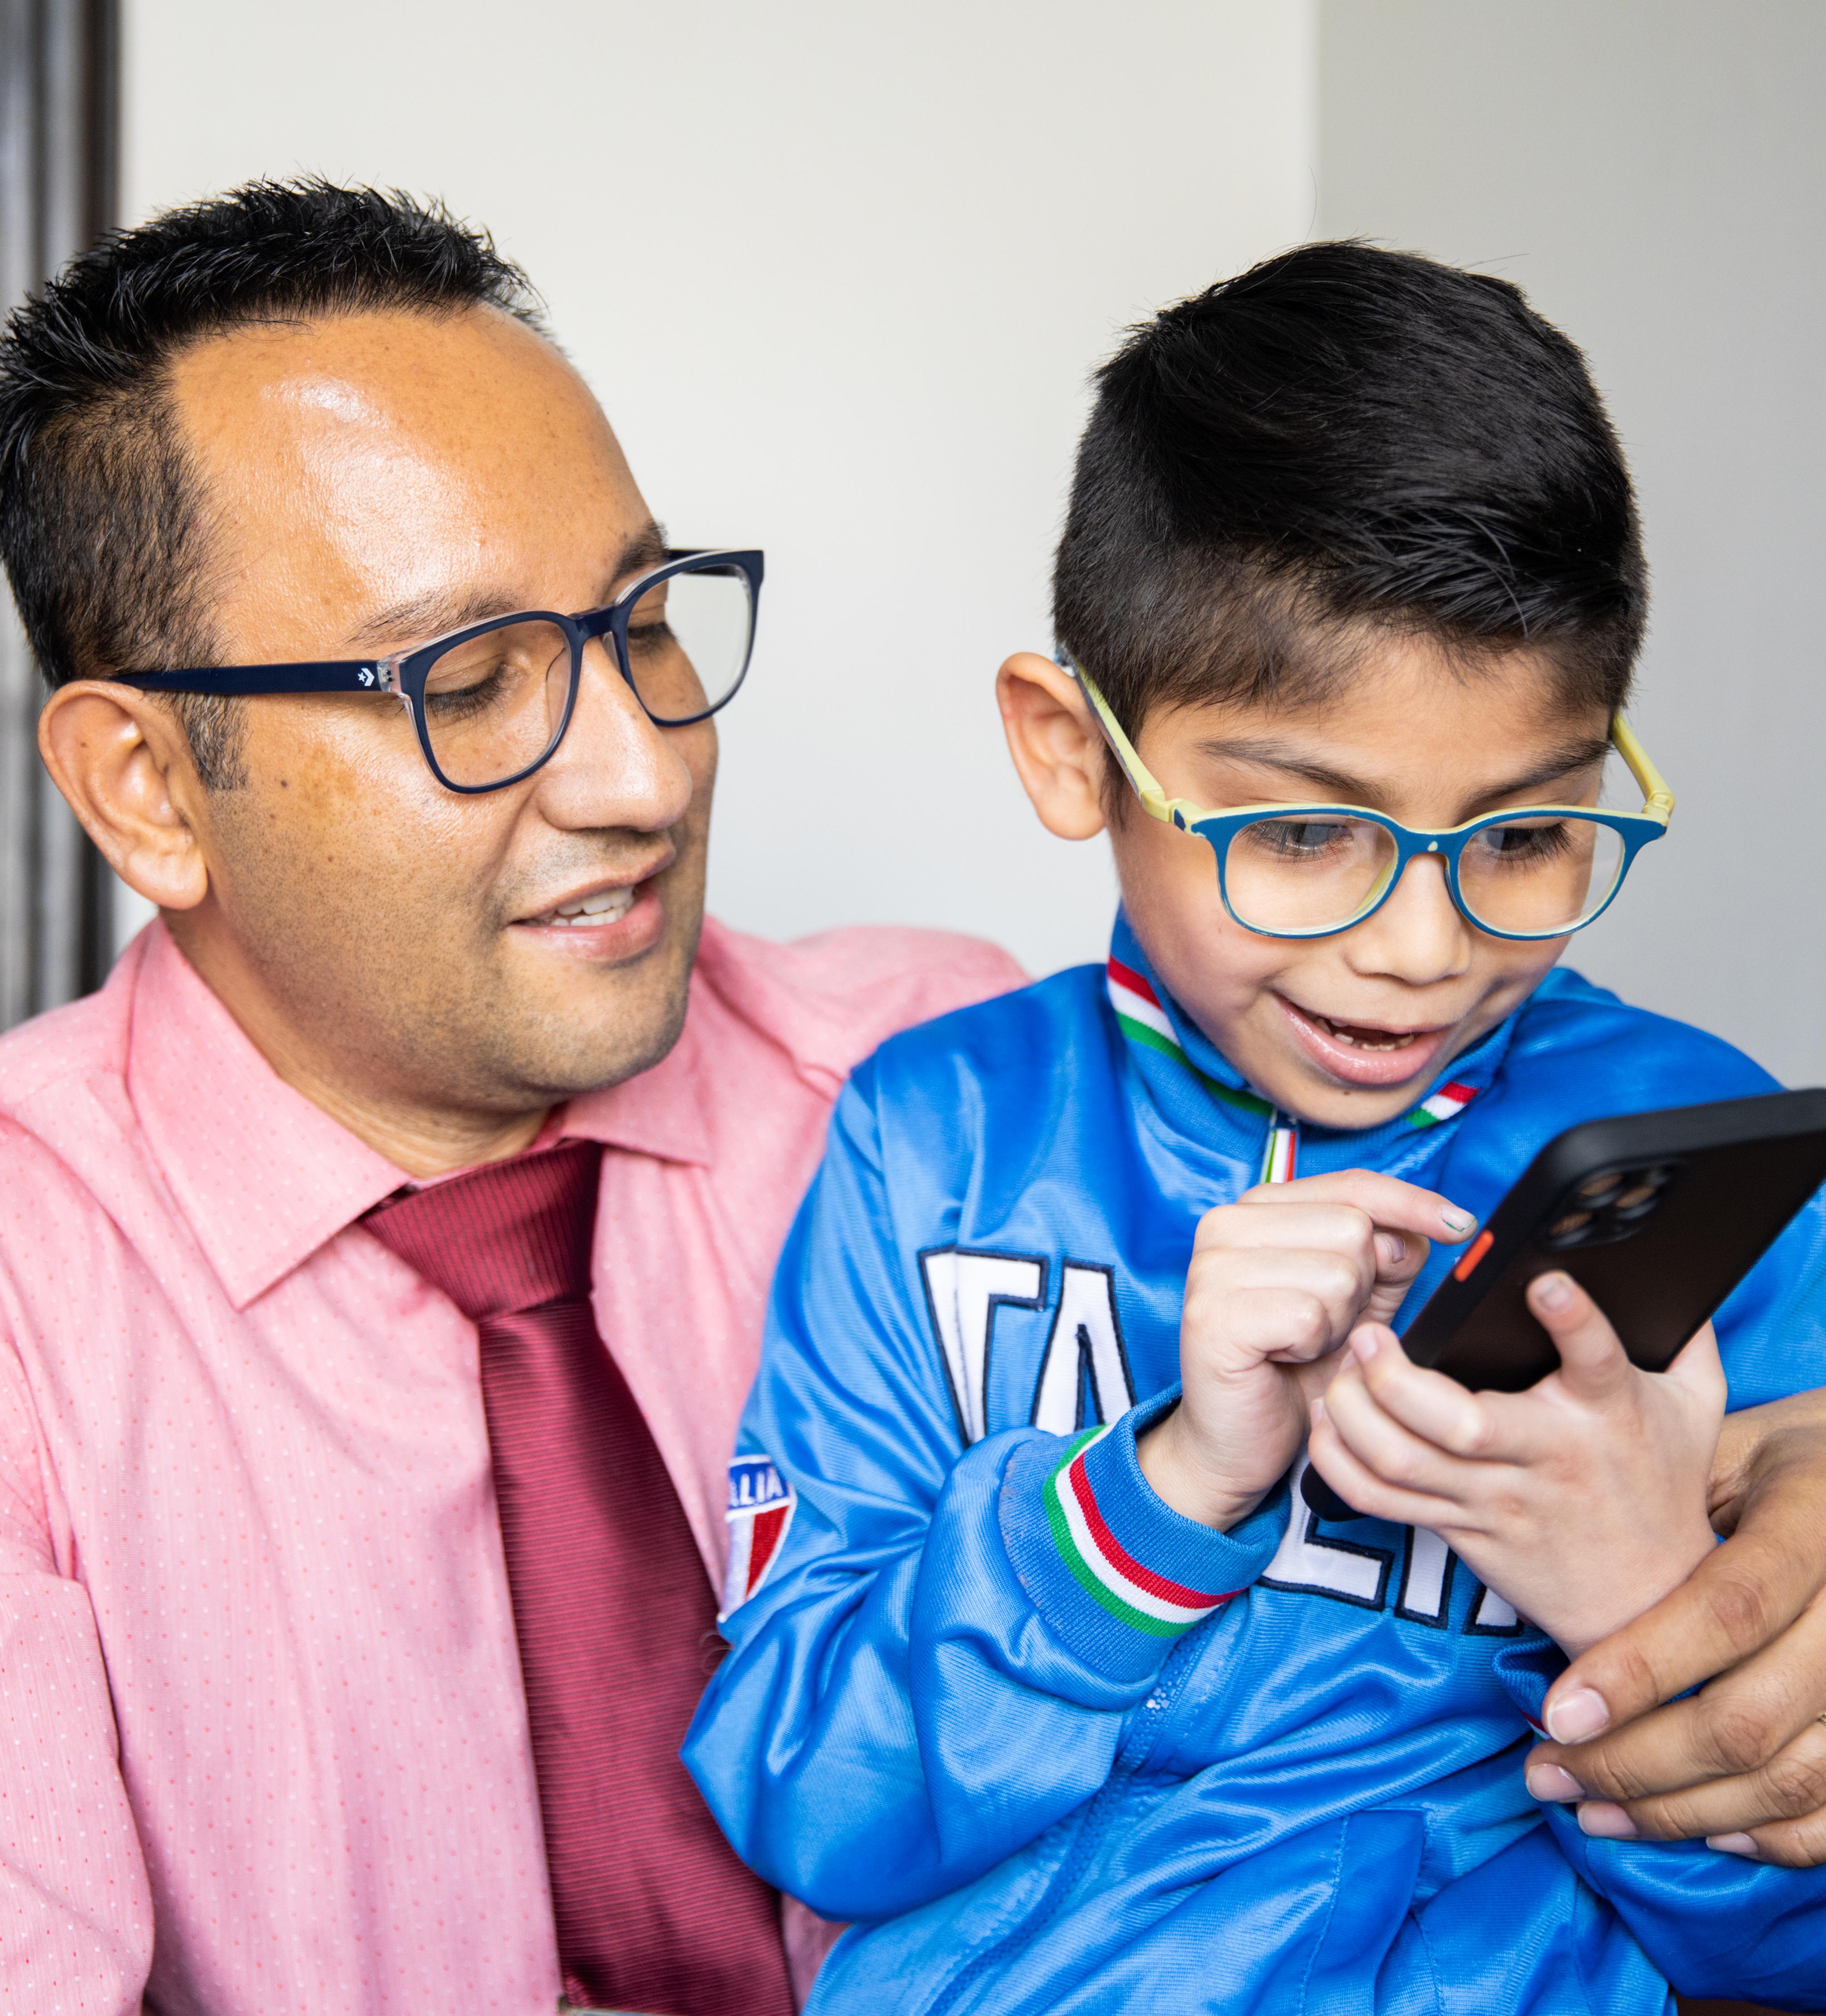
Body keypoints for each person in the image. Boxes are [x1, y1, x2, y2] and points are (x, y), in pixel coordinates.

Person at [0, 182, 1026, 2013]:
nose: (640, 773)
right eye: (464, 680)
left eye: (643, 621)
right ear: (146, 789)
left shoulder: (944, 1091)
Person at [682, 244, 1826, 2014]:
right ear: (1071, 750)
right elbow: (803, 1799)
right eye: (1301, 836)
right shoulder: (930, 1142)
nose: (1422, 948)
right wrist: (1155, 1495)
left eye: (1522, 836)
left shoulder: (1701, 1167)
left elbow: (1790, 1948)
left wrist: (1639, 1597)